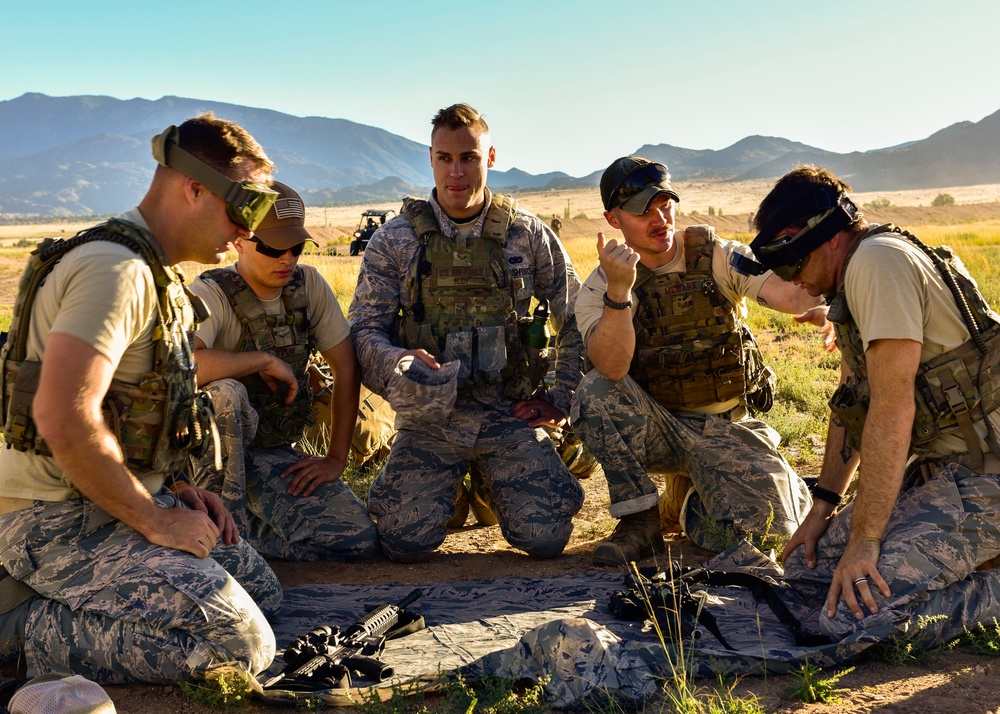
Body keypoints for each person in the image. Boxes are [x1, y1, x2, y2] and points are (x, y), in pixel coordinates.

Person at [0, 115, 282, 684]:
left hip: (105, 499)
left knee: (263, 593)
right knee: (242, 646)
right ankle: (17, 627)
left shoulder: (160, 274)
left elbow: (131, 409)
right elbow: (62, 414)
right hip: (52, 518)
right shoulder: (116, 269)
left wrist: (177, 489)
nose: (248, 232)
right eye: (244, 207)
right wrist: (155, 520)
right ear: (193, 186)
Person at [751, 165, 1000, 640]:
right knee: (809, 572)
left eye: (790, 263)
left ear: (822, 235)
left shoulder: (877, 264)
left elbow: (892, 408)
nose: (792, 281)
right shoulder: (854, 278)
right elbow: (853, 404)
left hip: (986, 474)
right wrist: (822, 510)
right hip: (945, 472)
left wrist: (866, 542)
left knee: (852, 616)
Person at [349, 103, 585, 562]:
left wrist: (560, 397)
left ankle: (487, 487)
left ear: (490, 157)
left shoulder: (528, 235)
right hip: (431, 419)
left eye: (469, 158)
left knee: (546, 539)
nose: (456, 172)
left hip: (510, 412)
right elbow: (363, 330)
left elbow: (575, 317)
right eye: (444, 158)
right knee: (403, 543)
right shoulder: (395, 240)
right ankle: (452, 490)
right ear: (431, 158)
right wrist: (397, 363)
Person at [572, 156, 831, 565]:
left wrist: (833, 291)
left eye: (665, 204)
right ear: (614, 219)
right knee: (596, 391)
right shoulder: (602, 284)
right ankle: (640, 522)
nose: (660, 219)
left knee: (769, 537)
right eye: (643, 211)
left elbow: (791, 295)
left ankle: (689, 500)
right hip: (660, 428)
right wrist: (620, 293)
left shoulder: (718, 256)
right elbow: (612, 367)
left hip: (724, 428)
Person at [188, 181, 379, 562]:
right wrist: (262, 360)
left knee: (357, 540)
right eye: (274, 247)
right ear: (240, 240)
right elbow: (186, 367)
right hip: (210, 465)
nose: (287, 259)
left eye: (296, 247)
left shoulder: (307, 286)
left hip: (272, 453)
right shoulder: (211, 292)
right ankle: (219, 533)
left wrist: (335, 459)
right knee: (225, 392)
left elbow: (346, 367)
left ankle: (244, 539)